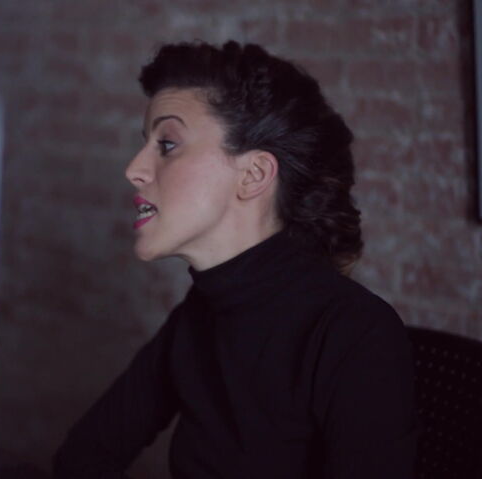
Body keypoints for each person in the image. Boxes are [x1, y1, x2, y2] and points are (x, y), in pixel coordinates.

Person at [53, 40, 417, 478]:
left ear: (253, 175)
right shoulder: (199, 314)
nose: (134, 169)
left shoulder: (353, 332)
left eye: (166, 144)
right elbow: (83, 458)